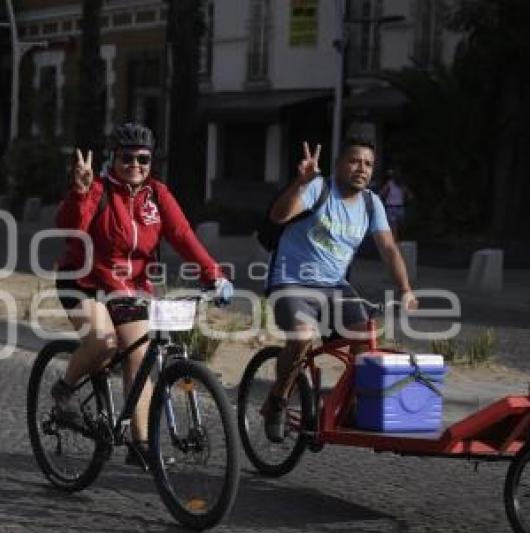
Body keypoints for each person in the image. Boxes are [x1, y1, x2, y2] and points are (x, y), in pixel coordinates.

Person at [53, 122, 234, 466]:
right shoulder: (99, 189)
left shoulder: (157, 194)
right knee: (103, 343)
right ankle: (64, 391)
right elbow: (71, 229)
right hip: (84, 280)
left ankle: (141, 445)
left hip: (130, 288)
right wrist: (79, 191)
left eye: (143, 159)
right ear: (113, 158)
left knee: (139, 359)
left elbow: (182, 235)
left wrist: (214, 275)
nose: (135, 165)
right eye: (127, 158)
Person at [261, 136, 418, 441]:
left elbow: (388, 247)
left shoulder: (372, 204)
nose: (362, 168)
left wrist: (406, 289)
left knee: (365, 333)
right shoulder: (318, 188)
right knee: (302, 337)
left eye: (368, 164)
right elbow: (278, 216)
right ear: (339, 165)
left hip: (334, 287)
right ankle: (277, 400)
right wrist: (300, 182)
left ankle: (351, 405)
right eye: (355, 161)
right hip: (291, 281)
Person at [378, 168, 413, 241]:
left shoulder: (392, 184)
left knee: (395, 227)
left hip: (393, 207)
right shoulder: (398, 184)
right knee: (396, 227)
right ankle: (394, 242)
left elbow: (381, 194)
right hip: (397, 207)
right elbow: (410, 196)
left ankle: (394, 241)